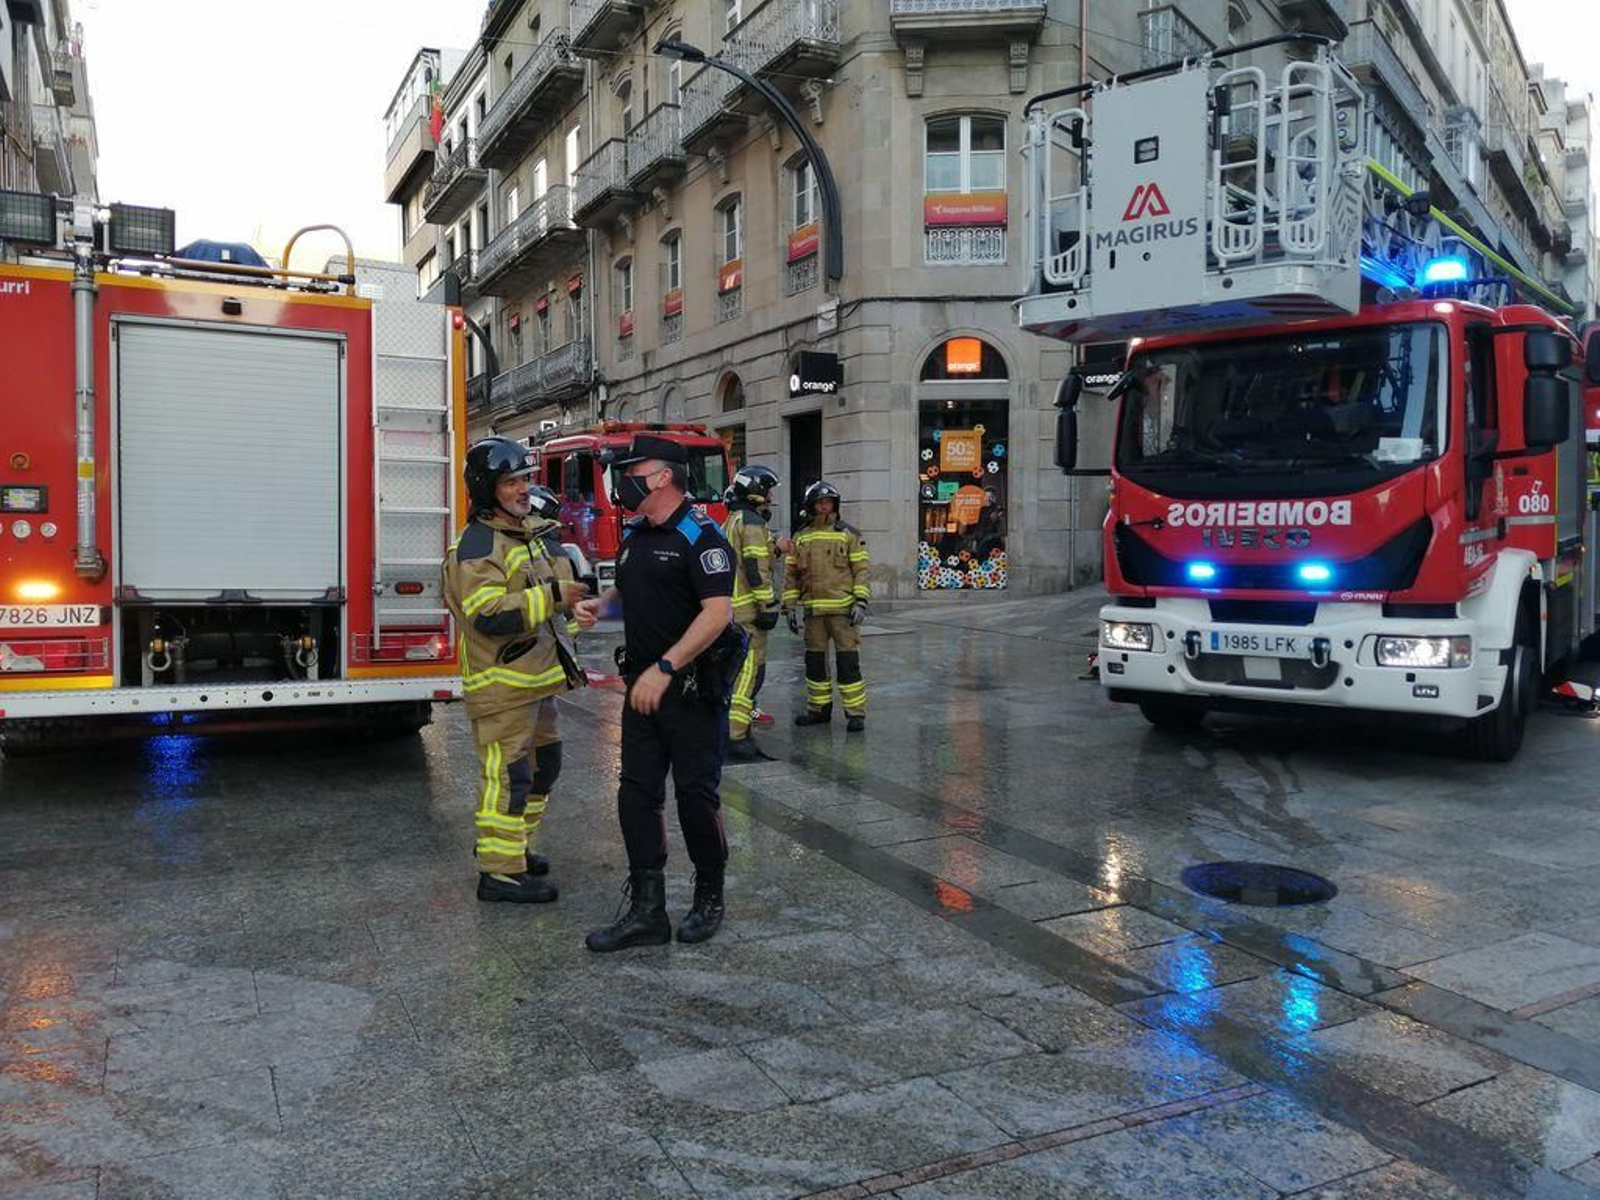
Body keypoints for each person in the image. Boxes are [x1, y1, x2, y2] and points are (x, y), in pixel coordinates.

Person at [578, 434, 740, 951]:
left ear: (664, 476)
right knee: (637, 794)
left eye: (633, 470)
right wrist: (601, 607)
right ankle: (648, 912)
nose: (623, 479)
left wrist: (667, 666)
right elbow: (632, 590)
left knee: (696, 797)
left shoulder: (701, 535)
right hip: (643, 690)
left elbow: (718, 613)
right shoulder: (638, 535)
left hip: (690, 690)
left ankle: (709, 896)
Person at [442, 438, 589, 904]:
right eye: (511, 482)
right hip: (503, 688)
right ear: (488, 490)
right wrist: (555, 598)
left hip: (537, 681)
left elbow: (550, 593)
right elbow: (486, 614)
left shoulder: (527, 533)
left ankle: (513, 848)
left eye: (525, 479)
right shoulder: (478, 545)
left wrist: (572, 609)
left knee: (545, 767)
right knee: (508, 777)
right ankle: (499, 872)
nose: (523, 489)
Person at [782, 480, 870, 731]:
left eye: (828, 502)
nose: (824, 507)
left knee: (848, 665)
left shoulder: (849, 534)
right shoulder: (800, 537)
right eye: (820, 503)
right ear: (811, 506)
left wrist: (861, 602)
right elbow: (792, 577)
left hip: (843, 614)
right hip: (813, 615)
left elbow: (861, 571)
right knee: (815, 665)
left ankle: (855, 714)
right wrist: (788, 608)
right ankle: (819, 710)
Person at [721, 467, 782, 762]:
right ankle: (736, 737)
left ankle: (732, 730)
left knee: (735, 674)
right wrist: (768, 607)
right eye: (769, 490)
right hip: (747, 614)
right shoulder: (753, 522)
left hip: (731, 609)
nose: (771, 497)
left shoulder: (734, 519)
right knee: (747, 676)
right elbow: (756, 568)